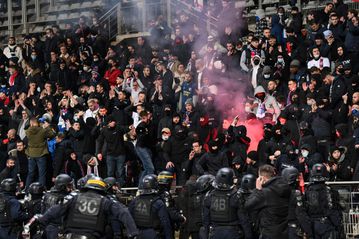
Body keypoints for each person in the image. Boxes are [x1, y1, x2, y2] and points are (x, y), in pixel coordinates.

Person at [202, 167, 252, 239]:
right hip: (233, 233)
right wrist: (248, 236)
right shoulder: (236, 195)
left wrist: (206, 236)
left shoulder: (209, 195)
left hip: (215, 232)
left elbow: (205, 220)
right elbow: (244, 220)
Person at [245, 164, 291, 239]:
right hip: (285, 232)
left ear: (261, 178)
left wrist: (257, 190)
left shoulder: (264, 193)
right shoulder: (285, 188)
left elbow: (248, 205)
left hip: (269, 233)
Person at [297, 164, 342, 239]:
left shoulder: (306, 191)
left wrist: (307, 230)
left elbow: (302, 212)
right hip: (327, 225)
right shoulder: (331, 191)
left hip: (312, 226)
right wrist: (339, 227)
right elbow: (334, 211)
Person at [129, 174, 173, 239]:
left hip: (137, 233)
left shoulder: (134, 200)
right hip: (152, 234)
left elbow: (128, 219)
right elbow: (165, 222)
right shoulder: (158, 202)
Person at [25, 117, 56, 189]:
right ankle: (41, 191)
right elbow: (52, 134)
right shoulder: (43, 131)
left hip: (31, 154)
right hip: (41, 154)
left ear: (31, 123)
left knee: (31, 173)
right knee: (42, 174)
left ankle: (27, 191)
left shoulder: (28, 131)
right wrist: (47, 127)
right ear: (38, 123)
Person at [41, 174, 74, 238]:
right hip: (58, 230)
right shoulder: (66, 198)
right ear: (62, 186)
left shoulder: (46, 195)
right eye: (69, 186)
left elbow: (42, 212)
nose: (71, 188)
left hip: (46, 227)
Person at [281, 167, 304, 239]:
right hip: (293, 228)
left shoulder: (275, 192)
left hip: (280, 228)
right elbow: (301, 214)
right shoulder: (296, 193)